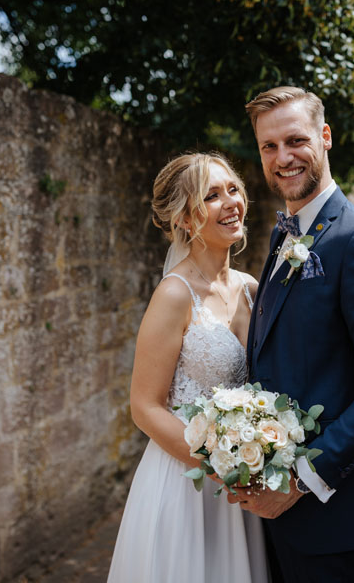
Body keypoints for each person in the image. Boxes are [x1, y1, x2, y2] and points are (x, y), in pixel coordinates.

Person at [233, 86, 354, 581]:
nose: (283, 158)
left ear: (326, 136)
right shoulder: (283, 234)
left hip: (333, 510)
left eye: (295, 140)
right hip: (275, 513)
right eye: (268, 147)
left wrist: (298, 480)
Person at [107, 153, 269, 583]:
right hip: (187, 482)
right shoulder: (175, 295)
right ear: (183, 217)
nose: (230, 202)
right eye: (211, 196)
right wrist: (217, 462)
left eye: (233, 189)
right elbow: (144, 407)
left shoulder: (253, 289)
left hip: (246, 481)